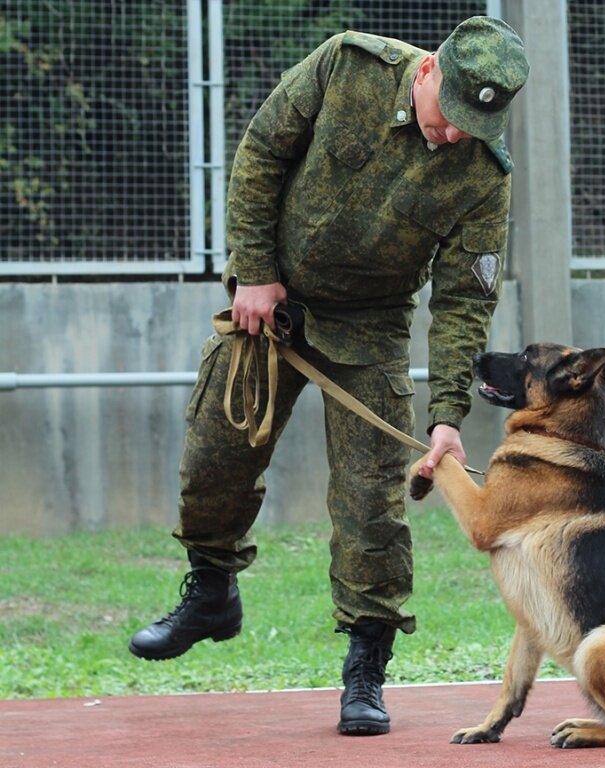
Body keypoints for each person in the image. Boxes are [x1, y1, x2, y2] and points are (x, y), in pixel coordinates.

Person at [128, 16, 529, 736]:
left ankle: (365, 670)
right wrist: (254, 272)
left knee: (372, 506)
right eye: (451, 116)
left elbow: (465, 299)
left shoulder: (482, 176)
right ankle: (212, 590)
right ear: (430, 69)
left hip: (370, 326)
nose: (454, 136)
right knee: (215, 457)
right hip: (271, 305)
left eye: (476, 126)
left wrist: (446, 415)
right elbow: (260, 155)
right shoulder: (347, 67)